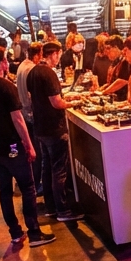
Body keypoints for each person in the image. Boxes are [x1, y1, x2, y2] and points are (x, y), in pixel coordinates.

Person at [0, 51, 49, 247]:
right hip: (12, 147)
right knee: (28, 187)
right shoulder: (7, 87)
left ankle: (15, 232)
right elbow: (18, 119)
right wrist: (29, 144)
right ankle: (34, 232)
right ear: (2, 64)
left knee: (5, 190)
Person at [27, 41, 82, 224]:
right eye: (58, 54)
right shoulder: (48, 73)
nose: (59, 58)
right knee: (59, 170)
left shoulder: (33, 71)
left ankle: (50, 207)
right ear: (54, 54)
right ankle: (63, 210)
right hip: (54, 128)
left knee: (47, 168)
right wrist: (74, 103)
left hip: (40, 128)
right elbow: (56, 103)